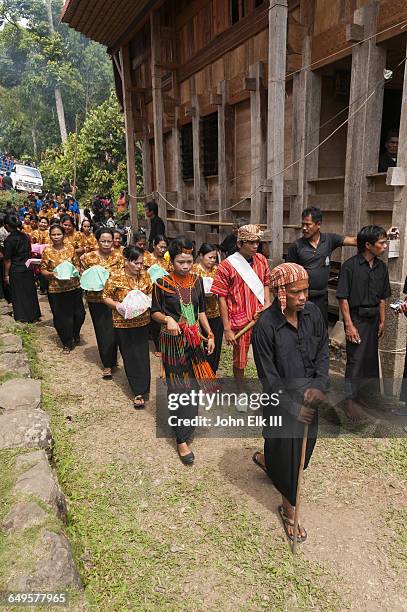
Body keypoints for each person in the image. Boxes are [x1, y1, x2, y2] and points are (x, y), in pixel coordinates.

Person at [252, 262, 329, 543]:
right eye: (297, 292)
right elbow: (269, 378)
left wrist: (320, 385)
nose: (303, 297)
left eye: (306, 291)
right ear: (281, 292)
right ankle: (289, 510)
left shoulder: (314, 314)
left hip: (311, 397)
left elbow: (322, 352)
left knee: (304, 450)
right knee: (288, 456)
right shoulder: (265, 327)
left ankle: (267, 460)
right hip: (281, 403)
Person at [151, 236, 215, 464]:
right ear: (172, 261)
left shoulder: (197, 281)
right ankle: (181, 440)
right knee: (179, 388)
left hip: (194, 340)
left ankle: (187, 425)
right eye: (180, 262)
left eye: (189, 261)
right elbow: (154, 312)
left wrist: (209, 333)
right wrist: (167, 318)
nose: (185, 267)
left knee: (194, 385)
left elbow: (200, 311)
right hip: (172, 343)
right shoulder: (161, 284)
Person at [336, 225, 390, 420]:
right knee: (355, 361)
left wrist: (383, 321)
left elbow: (383, 297)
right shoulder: (350, 266)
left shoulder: (381, 267)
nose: (385, 246)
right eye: (381, 243)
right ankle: (348, 400)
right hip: (357, 319)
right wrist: (349, 325)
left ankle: (363, 396)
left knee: (369, 360)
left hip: (374, 319)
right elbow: (343, 298)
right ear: (368, 245)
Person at [211, 224, 271, 395]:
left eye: (257, 242)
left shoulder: (262, 260)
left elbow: (266, 283)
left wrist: (267, 302)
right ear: (239, 244)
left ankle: (269, 390)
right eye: (251, 243)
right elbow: (221, 297)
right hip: (240, 319)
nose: (255, 246)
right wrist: (227, 329)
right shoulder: (226, 266)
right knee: (240, 361)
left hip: (261, 317)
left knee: (266, 356)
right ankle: (240, 392)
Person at [286, 207, 357, 326]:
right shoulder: (296, 246)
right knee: (302, 328)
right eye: (303, 224)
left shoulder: (329, 240)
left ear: (318, 224)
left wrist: (384, 235)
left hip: (322, 297)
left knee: (321, 328)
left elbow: (354, 241)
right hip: (302, 297)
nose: (304, 228)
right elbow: (290, 274)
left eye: (308, 224)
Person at [103, 246, 152, 408]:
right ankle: (137, 390)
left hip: (142, 321)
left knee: (142, 354)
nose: (139, 267)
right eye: (136, 263)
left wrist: (146, 301)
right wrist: (118, 306)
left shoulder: (145, 275)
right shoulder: (115, 276)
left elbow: (151, 292)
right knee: (130, 355)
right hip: (122, 322)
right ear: (126, 261)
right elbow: (106, 297)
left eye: (141, 263)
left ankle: (144, 387)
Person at [81, 228, 123, 379]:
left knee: (114, 330)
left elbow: (123, 276)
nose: (106, 244)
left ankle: (113, 359)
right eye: (103, 241)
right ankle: (107, 363)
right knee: (102, 330)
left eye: (109, 241)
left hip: (114, 300)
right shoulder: (88, 258)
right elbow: (83, 276)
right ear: (97, 241)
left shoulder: (119, 257)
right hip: (96, 299)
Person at [40, 223, 86, 353]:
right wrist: (51, 274)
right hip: (56, 289)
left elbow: (77, 265)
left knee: (80, 314)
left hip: (73, 287)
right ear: (50, 236)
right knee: (61, 317)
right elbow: (43, 269)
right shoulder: (47, 251)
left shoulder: (70, 248)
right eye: (53, 234)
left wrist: (74, 272)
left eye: (58, 234)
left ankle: (75, 332)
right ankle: (66, 342)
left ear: (63, 235)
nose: (56, 237)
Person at [3, 214, 41, 323]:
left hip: (16, 269)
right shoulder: (25, 236)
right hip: (27, 267)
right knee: (30, 291)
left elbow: (8, 259)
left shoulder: (9, 240)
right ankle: (34, 315)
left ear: (7, 225)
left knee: (18, 294)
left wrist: (6, 274)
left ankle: (22, 316)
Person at [193, 243, 223, 374]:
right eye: (209, 257)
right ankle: (200, 372)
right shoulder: (193, 270)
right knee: (200, 344)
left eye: (214, 258)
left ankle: (212, 371)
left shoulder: (217, 270)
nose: (212, 260)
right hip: (199, 313)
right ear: (200, 256)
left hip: (216, 312)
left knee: (215, 345)